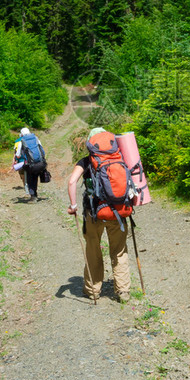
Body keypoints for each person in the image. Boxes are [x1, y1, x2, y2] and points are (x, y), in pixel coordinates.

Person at [66, 128, 131, 303]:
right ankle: (123, 291)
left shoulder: (86, 161)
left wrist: (73, 206)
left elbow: (72, 181)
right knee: (119, 250)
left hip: (94, 213)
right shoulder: (120, 157)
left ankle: (93, 290)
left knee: (93, 249)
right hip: (119, 212)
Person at [12, 127, 44, 203]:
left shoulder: (22, 141)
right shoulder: (36, 138)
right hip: (38, 162)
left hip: (28, 163)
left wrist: (17, 158)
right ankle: (35, 194)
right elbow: (42, 150)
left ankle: (33, 197)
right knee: (35, 178)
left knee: (29, 179)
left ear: (22, 134)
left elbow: (18, 154)